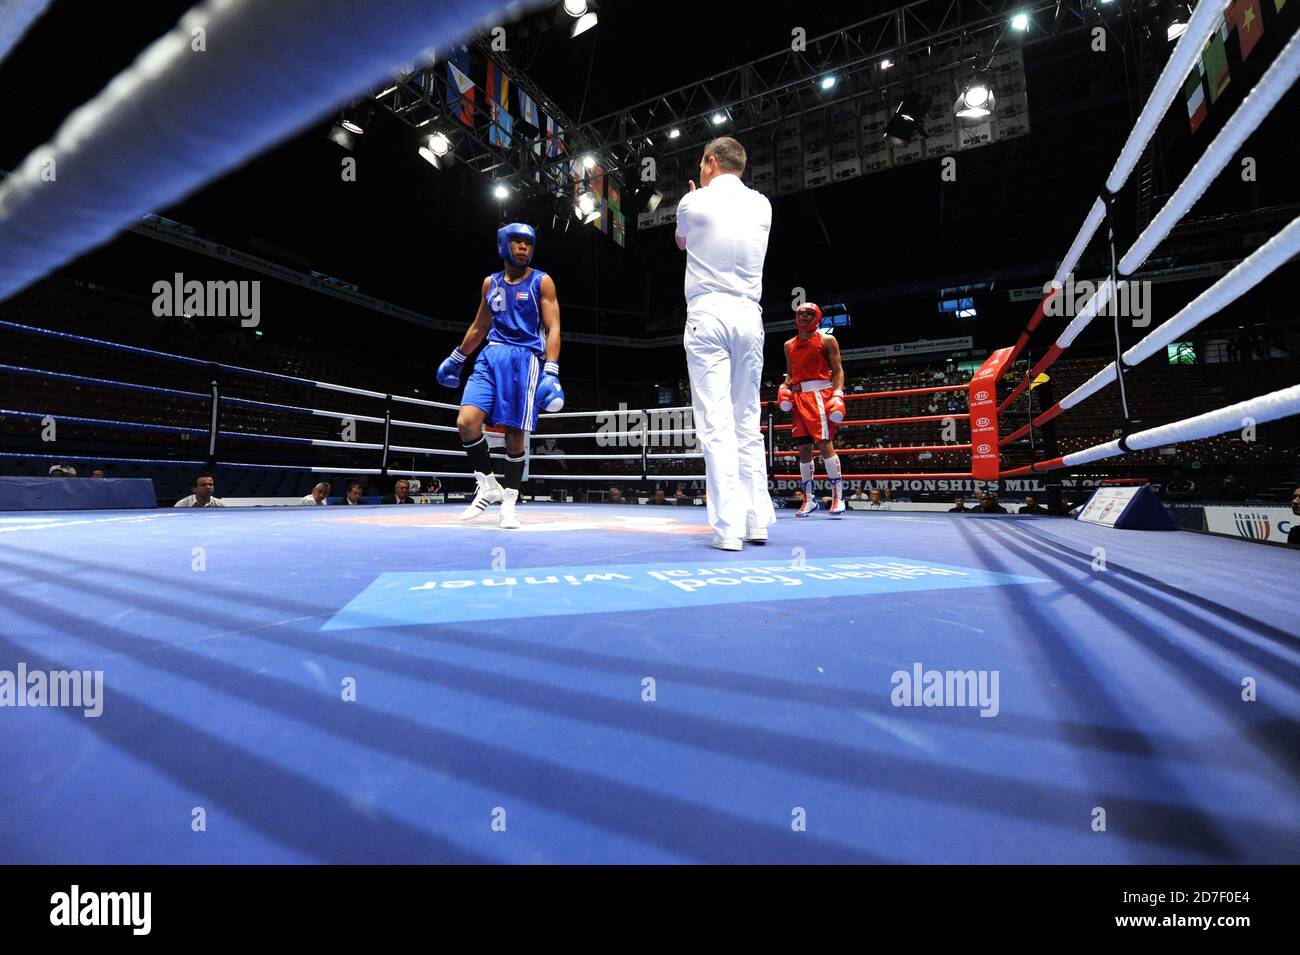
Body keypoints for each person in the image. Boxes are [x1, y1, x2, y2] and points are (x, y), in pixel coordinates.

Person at [676, 136, 775, 551]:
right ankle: (757, 523)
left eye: (702, 164)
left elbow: (682, 242)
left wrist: (693, 200)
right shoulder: (763, 205)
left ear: (710, 163)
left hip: (709, 312)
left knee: (716, 424)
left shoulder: (692, 204)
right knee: (746, 422)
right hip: (749, 316)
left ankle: (729, 528)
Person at [436, 222, 563, 530]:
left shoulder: (542, 282)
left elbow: (553, 327)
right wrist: (457, 358)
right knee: (466, 422)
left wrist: (552, 368)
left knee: (514, 436)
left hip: (525, 359)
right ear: (504, 246)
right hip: (490, 356)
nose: (524, 248)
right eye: (518, 242)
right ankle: (487, 483)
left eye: (528, 244)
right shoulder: (489, 283)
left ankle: (509, 501)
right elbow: (480, 326)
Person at [779, 301, 846, 519]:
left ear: (816, 317)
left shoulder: (827, 340)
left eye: (809, 314)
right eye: (801, 313)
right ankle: (809, 500)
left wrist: (838, 394)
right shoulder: (789, 345)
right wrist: (784, 386)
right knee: (803, 450)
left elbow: (837, 371)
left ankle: (838, 497)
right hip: (799, 398)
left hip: (820, 395)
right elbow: (790, 374)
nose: (804, 317)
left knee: (825, 444)